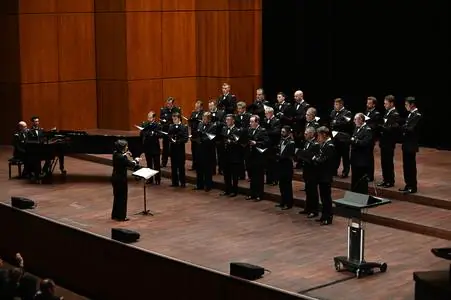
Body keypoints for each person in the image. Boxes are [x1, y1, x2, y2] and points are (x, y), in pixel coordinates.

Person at [111, 140, 141, 221]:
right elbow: (131, 164)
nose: (127, 147)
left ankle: (115, 215)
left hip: (114, 178)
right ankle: (121, 216)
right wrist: (136, 160)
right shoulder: (122, 157)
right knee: (122, 198)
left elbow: (121, 156)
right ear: (122, 147)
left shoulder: (115, 154)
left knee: (117, 197)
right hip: (121, 179)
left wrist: (125, 153)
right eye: (126, 146)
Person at [312, 126, 336, 225]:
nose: (318, 138)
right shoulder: (324, 144)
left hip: (326, 175)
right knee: (323, 197)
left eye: (319, 135)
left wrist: (316, 159)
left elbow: (325, 160)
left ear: (324, 135)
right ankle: (323, 216)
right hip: (321, 175)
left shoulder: (329, 146)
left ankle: (328, 217)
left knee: (326, 198)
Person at [399, 97, 422, 194]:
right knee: (406, 165)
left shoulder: (417, 115)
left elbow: (411, 128)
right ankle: (408, 184)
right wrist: (404, 127)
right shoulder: (410, 115)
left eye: (406, 104)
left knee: (411, 166)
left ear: (412, 104)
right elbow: (406, 126)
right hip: (406, 143)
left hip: (411, 144)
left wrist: (403, 127)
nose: (405, 106)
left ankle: (413, 186)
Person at [378, 95, 400, 188]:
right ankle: (385, 179)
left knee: (388, 161)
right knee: (384, 161)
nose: (384, 105)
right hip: (384, 141)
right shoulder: (387, 112)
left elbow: (392, 128)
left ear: (391, 103)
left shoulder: (395, 114)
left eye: (386, 103)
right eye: (384, 103)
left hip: (389, 142)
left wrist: (381, 127)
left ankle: (390, 181)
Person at [350, 113, 373, 194]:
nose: (354, 121)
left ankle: (362, 195)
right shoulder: (357, 128)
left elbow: (365, 143)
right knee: (355, 177)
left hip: (362, 159)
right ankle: (354, 193)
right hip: (355, 158)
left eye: (355, 119)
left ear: (361, 120)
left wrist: (354, 141)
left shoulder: (367, 130)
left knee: (361, 178)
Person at [221, 114, 243, 197]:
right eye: (226, 120)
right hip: (225, 154)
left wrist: (232, 142)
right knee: (226, 174)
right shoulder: (224, 129)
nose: (227, 121)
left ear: (233, 120)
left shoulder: (237, 130)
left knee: (234, 175)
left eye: (229, 120)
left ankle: (234, 191)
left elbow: (239, 142)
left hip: (234, 155)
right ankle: (227, 190)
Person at [275, 126, 295, 209]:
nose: (281, 133)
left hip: (287, 166)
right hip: (280, 165)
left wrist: (279, 156)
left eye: (283, 132)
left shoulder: (291, 142)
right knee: (281, 185)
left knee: (287, 186)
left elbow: (287, 154)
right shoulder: (281, 140)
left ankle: (289, 203)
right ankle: (283, 201)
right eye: (281, 131)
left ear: (288, 132)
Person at [140, 111, 161, 185]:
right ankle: (150, 179)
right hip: (147, 147)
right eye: (148, 117)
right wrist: (148, 133)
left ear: (154, 118)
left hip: (155, 147)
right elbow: (142, 133)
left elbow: (159, 134)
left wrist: (152, 133)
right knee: (149, 164)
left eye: (150, 117)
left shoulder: (157, 125)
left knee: (157, 165)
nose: (149, 119)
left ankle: (158, 179)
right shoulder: (145, 124)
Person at [168, 113, 189, 187]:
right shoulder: (171, 126)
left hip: (180, 149)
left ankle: (182, 182)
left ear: (179, 119)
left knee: (181, 166)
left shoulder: (184, 127)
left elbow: (186, 138)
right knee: (173, 166)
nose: (174, 121)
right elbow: (169, 135)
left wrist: (178, 141)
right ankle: (175, 182)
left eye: (175, 119)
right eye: (173, 119)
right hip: (173, 149)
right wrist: (171, 139)